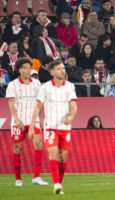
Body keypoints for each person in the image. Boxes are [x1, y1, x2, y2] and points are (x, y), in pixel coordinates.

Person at [29, 60, 77, 194]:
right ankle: (56, 183)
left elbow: (73, 106)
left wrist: (71, 117)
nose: (63, 70)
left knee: (63, 157)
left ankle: (59, 184)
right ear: (52, 72)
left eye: (63, 68)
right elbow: (38, 106)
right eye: (59, 69)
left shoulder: (70, 86)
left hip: (65, 128)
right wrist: (32, 126)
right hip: (50, 127)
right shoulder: (45, 88)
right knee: (53, 153)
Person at [6, 58, 48, 187]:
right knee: (17, 148)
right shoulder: (12, 85)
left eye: (29, 68)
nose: (27, 70)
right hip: (18, 122)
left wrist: (41, 118)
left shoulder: (36, 84)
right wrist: (17, 119)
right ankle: (18, 179)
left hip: (33, 121)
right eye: (24, 68)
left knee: (39, 144)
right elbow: (11, 104)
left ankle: (36, 177)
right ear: (19, 70)